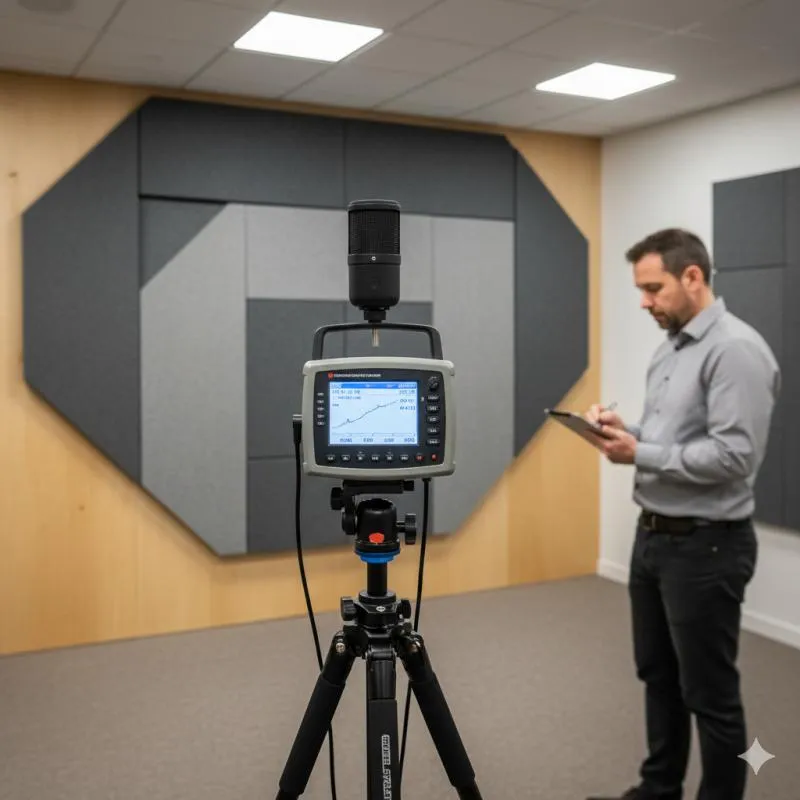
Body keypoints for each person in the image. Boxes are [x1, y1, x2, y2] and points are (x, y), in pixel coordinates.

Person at [585, 228, 781, 800]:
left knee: (710, 696)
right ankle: (659, 789)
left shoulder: (735, 350)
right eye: (640, 290)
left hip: (707, 546)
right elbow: (674, 439)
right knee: (659, 676)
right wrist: (626, 432)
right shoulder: (671, 348)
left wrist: (639, 453)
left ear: (692, 276)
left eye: (653, 288)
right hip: (653, 539)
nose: (644, 302)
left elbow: (734, 457)